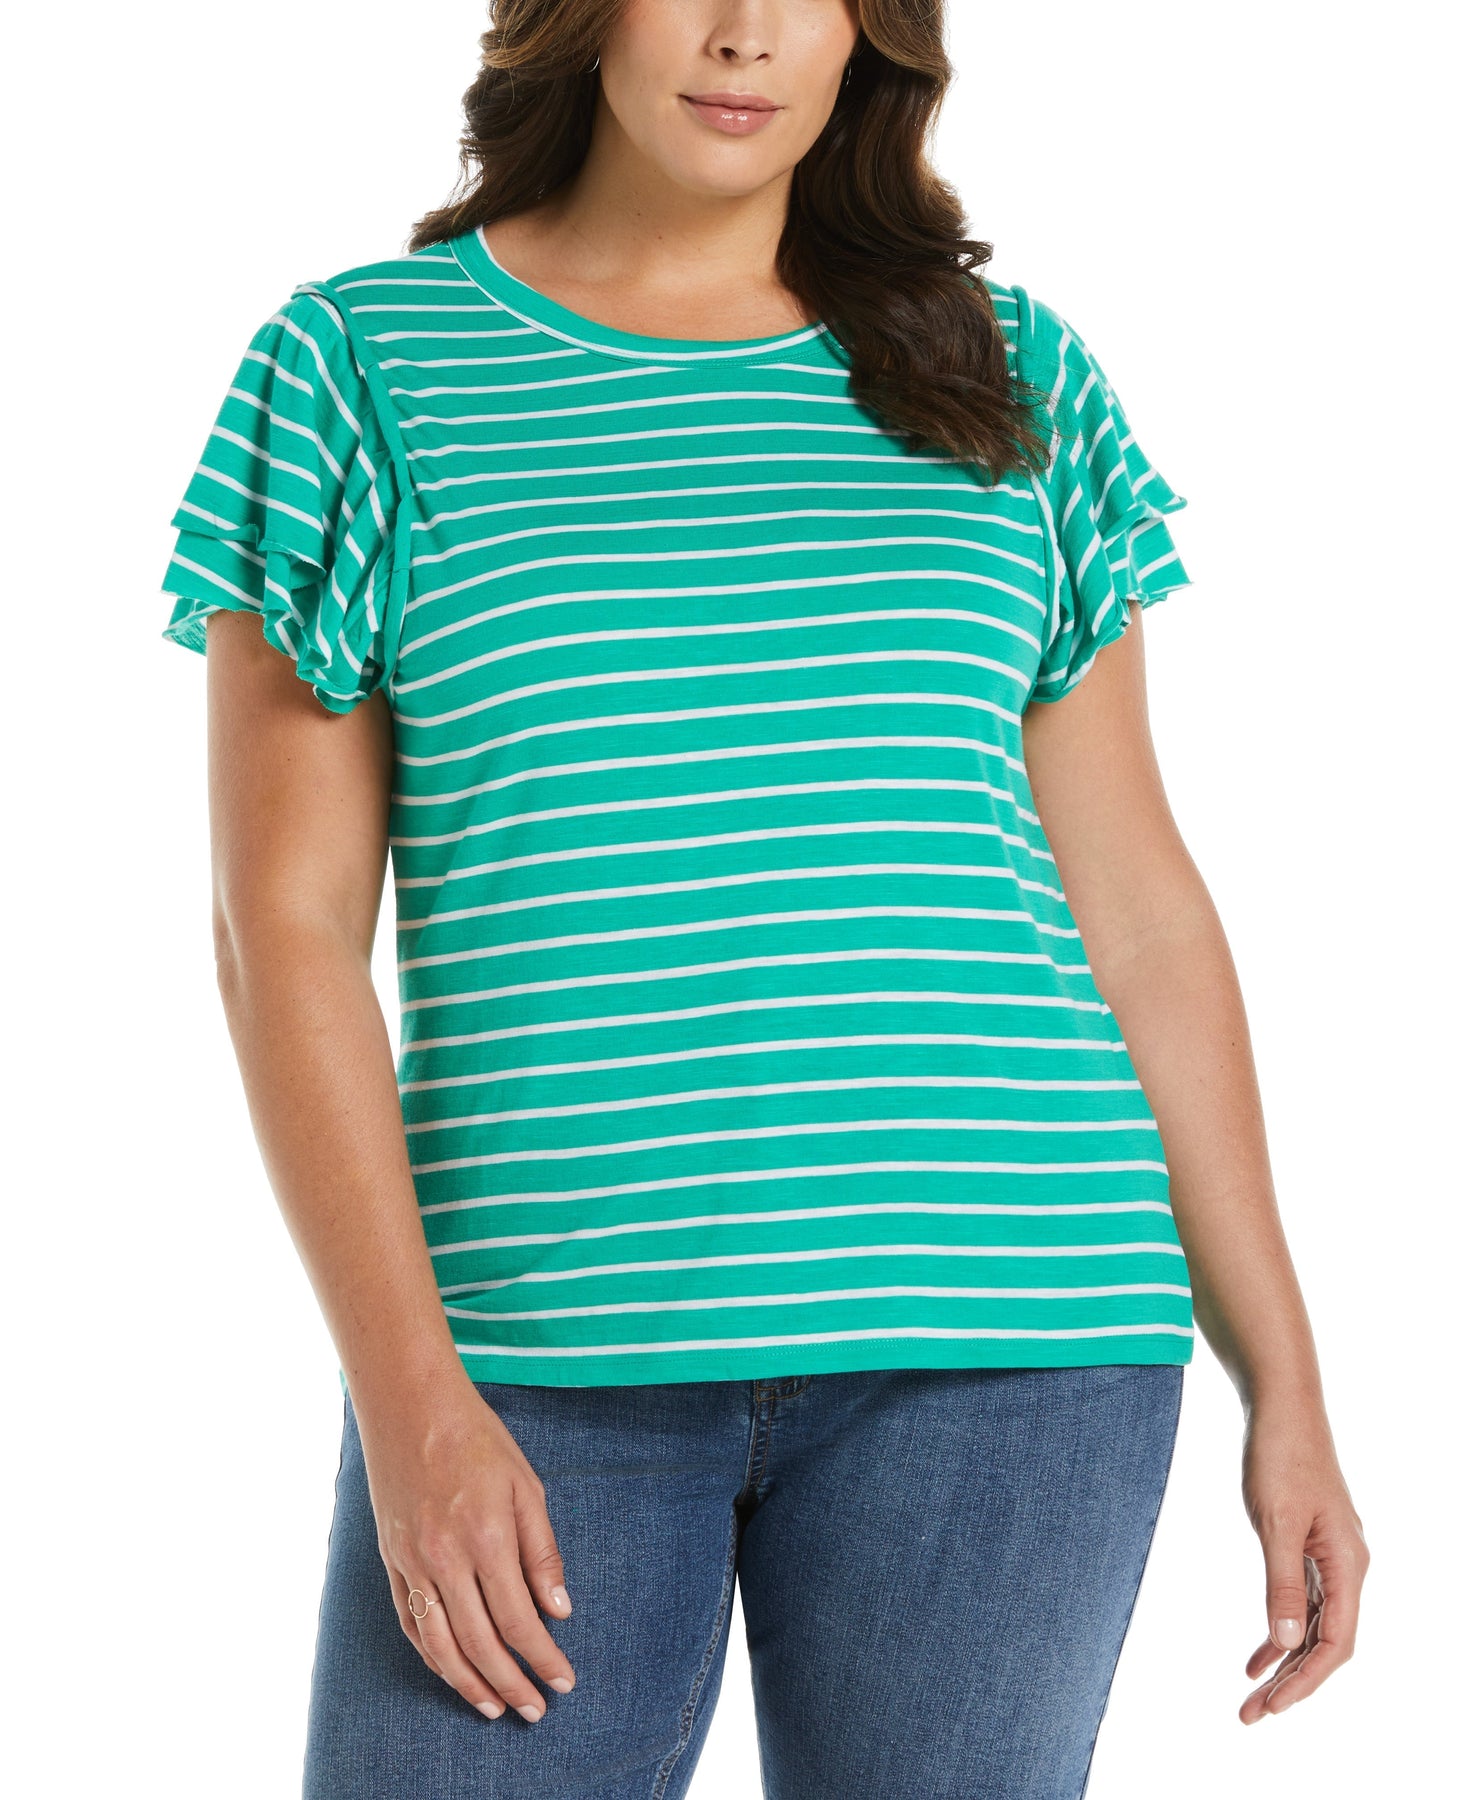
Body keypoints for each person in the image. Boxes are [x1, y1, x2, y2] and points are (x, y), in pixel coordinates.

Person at [157, 3, 1370, 1795]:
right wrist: (411, 1404)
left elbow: (1136, 910)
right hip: (534, 1355)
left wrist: (1286, 1383)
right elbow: (284, 930)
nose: (743, 35)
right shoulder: (364, 367)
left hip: (1009, 1340)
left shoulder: (1008, 372)